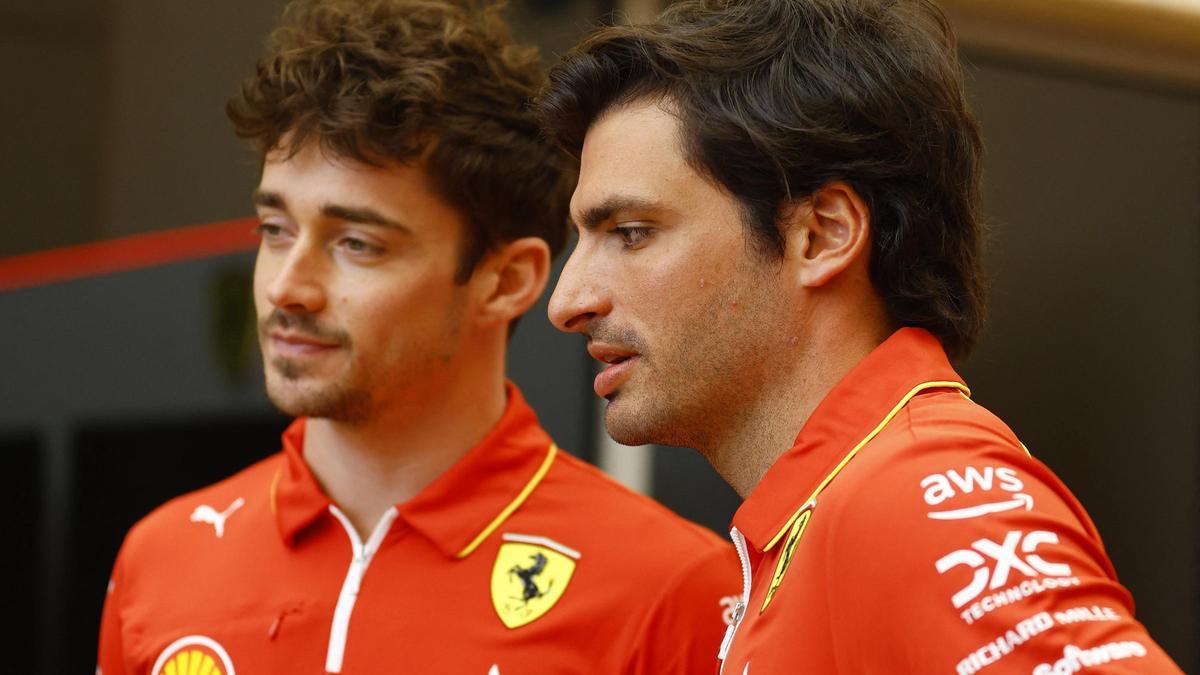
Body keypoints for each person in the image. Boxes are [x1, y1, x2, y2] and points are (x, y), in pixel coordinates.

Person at [536, 0, 1184, 673]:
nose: (569, 300)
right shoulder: (833, 511)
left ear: (822, 235)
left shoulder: (913, 496)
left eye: (631, 233)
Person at [97, 1, 739, 673]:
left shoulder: (673, 587)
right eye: (275, 230)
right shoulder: (160, 556)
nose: (288, 286)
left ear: (507, 279)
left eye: (357, 243)